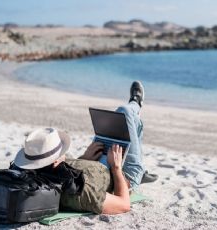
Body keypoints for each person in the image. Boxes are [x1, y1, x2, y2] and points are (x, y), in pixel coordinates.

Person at [12, 81, 157, 215]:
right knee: (125, 112)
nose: (63, 154)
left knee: (119, 126)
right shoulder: (80, 189)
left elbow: (71, 167)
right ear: (55, 161)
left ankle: (135, 108)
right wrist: (116, 168)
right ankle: (136, 104)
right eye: (60, 152)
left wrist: (84, 158)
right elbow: (124, 204)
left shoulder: (41, 172)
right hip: (124, 176)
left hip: (97, 162)